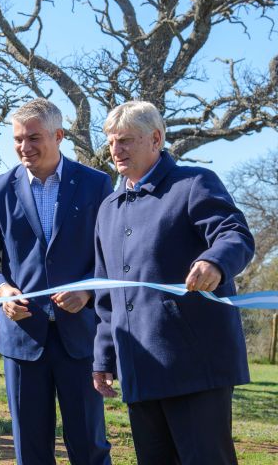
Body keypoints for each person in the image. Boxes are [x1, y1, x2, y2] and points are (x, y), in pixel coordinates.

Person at [91, 101, 254, 465]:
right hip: (140, 369)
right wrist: (103, 357)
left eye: (127, 141)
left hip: (194, 367)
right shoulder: (109, 209)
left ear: (156, 139)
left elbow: (235, 235)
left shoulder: (194, 183)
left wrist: (215, 262)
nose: (117, 151)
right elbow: (106, 294)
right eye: (112, 142)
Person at [0, 98, 112, 464]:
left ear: (59, 135)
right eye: (17, 139)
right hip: (23, 339)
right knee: (30, 451)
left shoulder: (96, 185)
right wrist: (0, 290)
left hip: (80, 338)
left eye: (33, 138)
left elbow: (113, 254)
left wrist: (88, 289)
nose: (24, 147)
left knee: (90, 447)